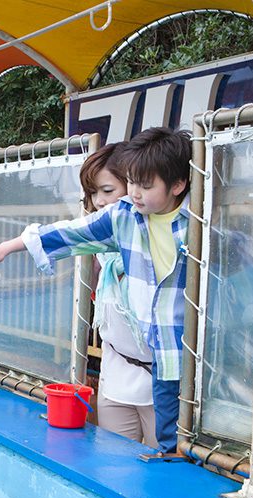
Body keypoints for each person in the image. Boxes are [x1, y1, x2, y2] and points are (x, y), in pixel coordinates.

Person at [0, 127, 191, 455]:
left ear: (177, 185)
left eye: (145, 185)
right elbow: (69, 232)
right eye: (131, 182)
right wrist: (8, 246)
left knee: (176, 458)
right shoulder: (124, 217)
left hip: (180, 363)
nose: (134, 193)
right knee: (120, 460)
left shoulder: (200, 221)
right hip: (132, 366)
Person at [77, 144, 157, 448]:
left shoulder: (159, 239)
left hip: (158, 379)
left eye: (107, 190)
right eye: (93, 193)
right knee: (112, 463)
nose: (98, 202)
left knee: (160, 472)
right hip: (115, 370)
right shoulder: (99, 249)